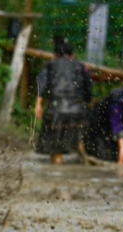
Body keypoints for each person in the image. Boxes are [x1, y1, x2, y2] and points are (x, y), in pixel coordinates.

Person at [34, 36, 92, 164]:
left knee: (56, 149)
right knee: (78, 141)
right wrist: (85, 105)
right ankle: (84, 161)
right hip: (78, 111)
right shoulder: (82, 66)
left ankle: (56, 177)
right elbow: (89, 88)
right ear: (72, 54)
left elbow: (41, 85)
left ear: (55, 54)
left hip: (56, 111)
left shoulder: (49, 65)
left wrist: (38, 105)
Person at [85, 73, 123, 164]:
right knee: (104, 156)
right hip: (101, 125)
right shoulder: (117, 98)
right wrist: (122, 149)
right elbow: (117, 124)